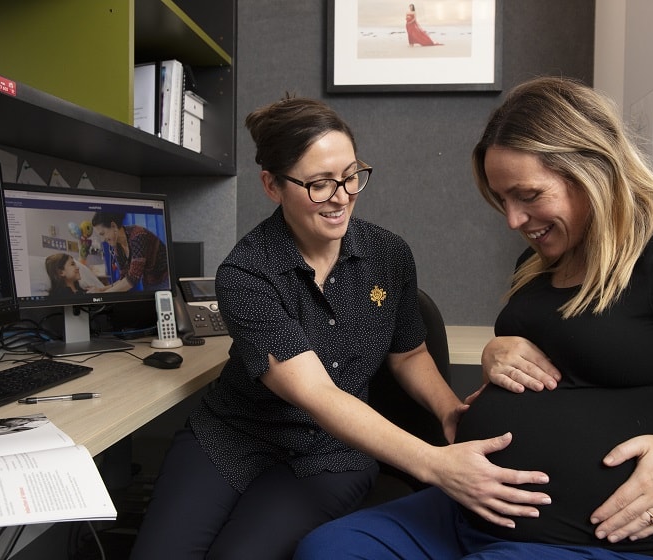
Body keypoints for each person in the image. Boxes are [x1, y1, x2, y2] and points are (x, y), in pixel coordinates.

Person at [294, 76, 653, 560]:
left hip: (610, 545)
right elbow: (570, 351)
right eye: (502, 199)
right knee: (328, 549)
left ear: (593, 169)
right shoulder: (542, 257)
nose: (513, 220)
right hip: (474, 512)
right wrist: (496, 349)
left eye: (528, 195)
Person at [128, 96, 550, 560]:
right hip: (233, 435)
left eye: (351, 176)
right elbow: (317, 393)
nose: (342, 196)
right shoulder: (247, 273)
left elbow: (408, 353)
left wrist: (449, 409)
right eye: (319, 184)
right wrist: (433, 464)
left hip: (333, 454)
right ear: (272, 185)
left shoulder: (388, 254)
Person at [87, 212, 169, 292]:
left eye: (102, 234)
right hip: (150, 281)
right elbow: (124, 279)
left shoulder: (138, 235)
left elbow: (133, 278)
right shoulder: (117, 247)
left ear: (113, 226)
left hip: (165, 278)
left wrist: (103, 295)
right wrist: (101, 290)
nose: (103, 239)